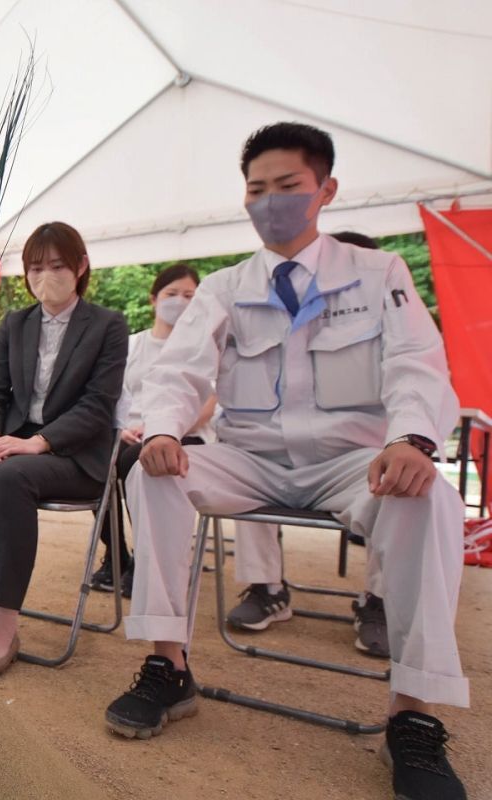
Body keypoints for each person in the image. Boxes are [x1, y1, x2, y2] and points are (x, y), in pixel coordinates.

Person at [103, 122, 467, 800]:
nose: (271, 201)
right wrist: (163, 432)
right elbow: (180, 371)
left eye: (287, 187)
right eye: (257, 190)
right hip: (253, 457)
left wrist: (411, 439)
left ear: (325, 190)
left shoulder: (377, 273)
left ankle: (412, 715)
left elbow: (418, 362)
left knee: (431, 497)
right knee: (152, 476)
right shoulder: (225, 285)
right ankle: (168, 666)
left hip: (353, 458)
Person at [0, 222, 128, 677]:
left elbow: (97, 407)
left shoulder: (108, 325)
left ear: (81, 266)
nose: (46, 276)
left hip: (75, 454)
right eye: (36, 268)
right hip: (17, 443)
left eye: (58, 266)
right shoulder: (16, 324)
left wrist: (37, 443)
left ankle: (5, 623)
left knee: (11, 476)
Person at [225, 230, 390, 657]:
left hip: (360, 464)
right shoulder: (281, 319)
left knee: (405, 488)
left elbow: (418, 395)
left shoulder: (397, 322)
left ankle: (380, 600)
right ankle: (266, 588)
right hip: (282, 460)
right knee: (245, 461)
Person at [94, 263, 224, 597]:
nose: (179, 301)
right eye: (171, 294)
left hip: (183, 436)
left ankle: (147, 559)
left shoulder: (204, 346)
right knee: (95, 459)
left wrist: (164, 429)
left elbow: (207, 403)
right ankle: (116, 554)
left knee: (140, 461)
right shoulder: (132, 344)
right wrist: (120, 427)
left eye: (188, 296)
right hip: (128, 432)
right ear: (153, 299)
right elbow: (113, 392)